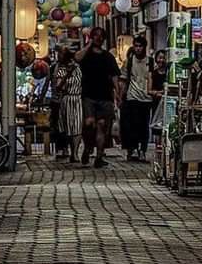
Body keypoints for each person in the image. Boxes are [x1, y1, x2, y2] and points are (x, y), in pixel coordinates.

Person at [76, 27, 121, 168]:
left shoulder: (108, 57)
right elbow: (77, 58)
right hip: (88, 95)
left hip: (105, 96)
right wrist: (88, 45)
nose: (98, 38)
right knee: (88, 123)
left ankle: (99, 156)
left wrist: (118, 93)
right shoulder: (86, 55)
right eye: (95, 35)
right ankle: (88, 147)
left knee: (102, 126)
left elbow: (115, 76)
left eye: (101, 36)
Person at [120, 35, 153, 162]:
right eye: (136, 46)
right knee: (131, 125)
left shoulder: (150, 61)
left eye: (140, 46)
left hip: (146, 98)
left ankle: (142, 150)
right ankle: (132, 149)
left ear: (144, 47)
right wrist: (120, 96)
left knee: (143, 126)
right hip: (132, 96)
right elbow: (123, 79)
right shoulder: (129, 61)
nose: (138, 49)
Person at [54, 47, 83, 162]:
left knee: (77, 125)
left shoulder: (79, 68)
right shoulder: (61, 70)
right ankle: (71, 150)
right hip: (67, 99)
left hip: (78, 98)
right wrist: (67, 75)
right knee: (68, 127)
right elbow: (58, 87)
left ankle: (75, 153)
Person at [49, 54, 67, 158]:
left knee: (67, 124)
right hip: (56, 101)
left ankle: (65, 148)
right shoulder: (53, 68)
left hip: (68, 100)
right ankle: (59, 147)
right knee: (56, 125)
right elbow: (48, 82)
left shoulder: (72, 67)